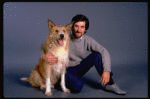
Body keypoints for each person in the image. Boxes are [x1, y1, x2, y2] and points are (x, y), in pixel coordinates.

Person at [39, 14, 127, 95]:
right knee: (77, 87)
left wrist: (107, 71)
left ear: (85, 29)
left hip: (80, 67)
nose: (78, 30)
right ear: (72, 27)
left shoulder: (87, 40)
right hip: (66, 69)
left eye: (82, 27)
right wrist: (43, 56)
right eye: (76, 26)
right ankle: (59, 82)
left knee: (97, 55)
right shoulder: (63, 36)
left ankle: (110, 84)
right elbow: (43, 46)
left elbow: (104, 51)